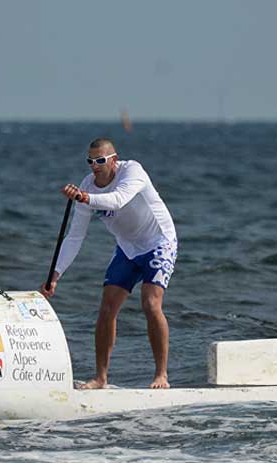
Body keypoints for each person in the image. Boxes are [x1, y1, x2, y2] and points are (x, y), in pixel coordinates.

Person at [40, 138, 177, 389]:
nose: (95, 166)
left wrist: (83, 197)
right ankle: (101, 378)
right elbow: (75, 236)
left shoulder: (132, 170)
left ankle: (161, 375)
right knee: (106, 309)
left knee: (150, 302)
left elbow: (117, 200)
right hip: (127, 248)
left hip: (159, 242)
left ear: (114, 160)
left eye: (101, 161)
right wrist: (56, 274)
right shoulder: (88, 185)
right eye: (90, 161)